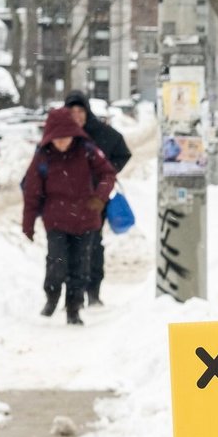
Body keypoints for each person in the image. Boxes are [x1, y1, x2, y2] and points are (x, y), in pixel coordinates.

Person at [21, 107, 117, 326]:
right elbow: (32, 191)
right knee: (57, 263)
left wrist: (100, 197)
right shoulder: (43, 156)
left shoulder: (87, 150)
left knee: (80, 268)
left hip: (86, 219)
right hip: (56, 220)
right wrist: (28, 224)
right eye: (57, 139)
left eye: (65, 138)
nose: (62, 143)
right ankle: (52, 297)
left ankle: (73, 308)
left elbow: (107, 174)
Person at [63, 91, 131, 306]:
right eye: (71, 111)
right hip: (66, 201)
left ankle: (93, 291)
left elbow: (122, 152)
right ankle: (73, 294)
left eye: (80, 111)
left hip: (94, 201)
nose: (76, 116)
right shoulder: (61, 134)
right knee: (68, 248)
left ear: (87, 112)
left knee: (92, 246)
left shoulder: (100, 133)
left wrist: (106, 175)